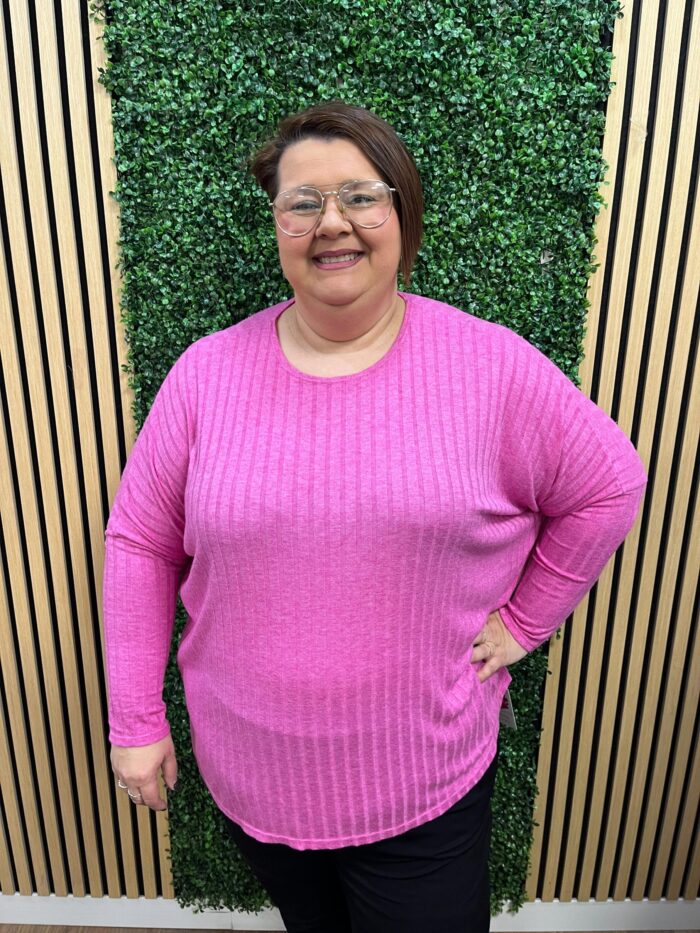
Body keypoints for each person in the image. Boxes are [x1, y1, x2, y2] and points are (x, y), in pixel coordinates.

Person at [104, 101, 647, 932]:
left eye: (361, 196)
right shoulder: (206, 375)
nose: (333, 223)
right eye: (303, 203)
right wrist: (136, 719)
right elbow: (142, 541)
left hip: (424, 784)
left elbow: (608, 484)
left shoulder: (489, 367)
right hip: (254, 778)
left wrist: (525, 622)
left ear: (402, 212)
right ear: (278, 224)